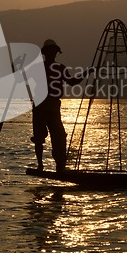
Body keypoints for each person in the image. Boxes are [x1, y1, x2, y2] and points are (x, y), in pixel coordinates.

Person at [31, 39, 89, 172]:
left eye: (54, 51)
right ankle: (40, 165)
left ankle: (60, 167)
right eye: (50, 51)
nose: (52, 54)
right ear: (45, 53)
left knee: (59, 137)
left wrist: (86, 72)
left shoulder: (59, 68)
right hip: (40, 107)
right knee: (39, 138)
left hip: (53, 107)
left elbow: (72, 82)